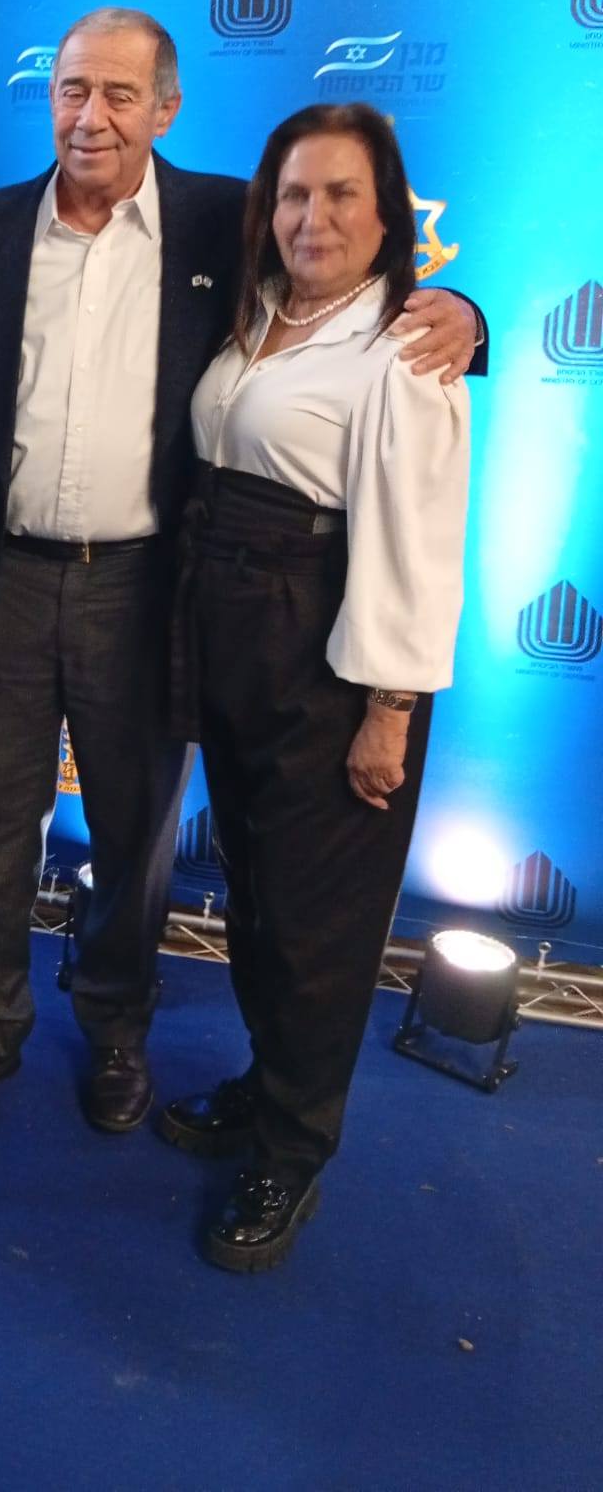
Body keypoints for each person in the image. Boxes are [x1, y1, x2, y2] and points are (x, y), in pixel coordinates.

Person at [0, 8, 479, 1134]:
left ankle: (117, 1031)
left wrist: (467, 313)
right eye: (73, 89)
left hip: (147, 590)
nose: (93, 116)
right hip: (3, 581)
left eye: (121, 94)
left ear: (165, 108)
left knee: (134, 835)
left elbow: (350, 288)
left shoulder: (227, 219)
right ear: (49, 97)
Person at [161, 103, 469, 1270]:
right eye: (294, 194)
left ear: (390, 214)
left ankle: (293, 1154)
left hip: (333, 663)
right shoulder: (258, 315)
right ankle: (268, 1081)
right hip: (234, 636)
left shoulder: (408, 350)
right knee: (258, 899)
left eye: (342, 194)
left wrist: (388, 711)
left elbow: (418, 539)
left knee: (317, 928)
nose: (314, 217)